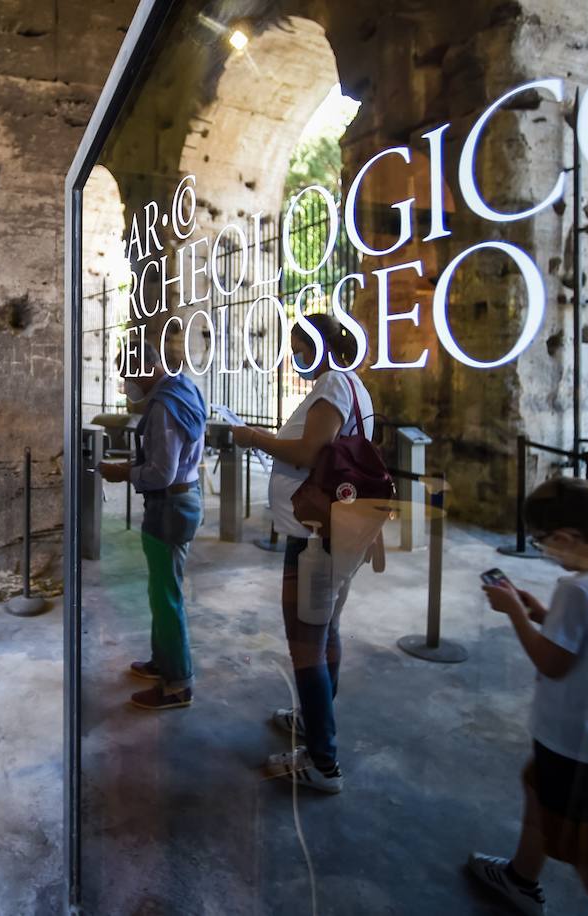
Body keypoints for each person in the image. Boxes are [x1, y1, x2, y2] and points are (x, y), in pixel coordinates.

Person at [469, 477, 588, 916]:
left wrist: (514, 613)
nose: (545, 551)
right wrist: (541, 613)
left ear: (568, 537)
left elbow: (552, 663)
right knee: (536, 793)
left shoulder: (577, 590)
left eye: (544, 542)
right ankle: (521, 880)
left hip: (575, 747)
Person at [233, 313, 373, 794]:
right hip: (335, 531)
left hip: (316, 538)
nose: (294, 355)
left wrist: (253, 437)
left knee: (306, 645)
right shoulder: (352, 385)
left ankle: (323, 761)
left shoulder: (333, 383)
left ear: (320, 345)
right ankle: (315, 720)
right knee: (324, 630)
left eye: (298, 345)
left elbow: (311, 453)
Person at [98, 340, 206, 710]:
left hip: (170, 506)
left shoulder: (163, 407)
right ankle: (163, 661)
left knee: (166, 597)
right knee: (162, 592)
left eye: (128, 374)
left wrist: (122, 471)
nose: (126, 382)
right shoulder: (184, 388)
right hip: (184, 500)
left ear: (146, 367)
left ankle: (178, 684)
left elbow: (161, 471)